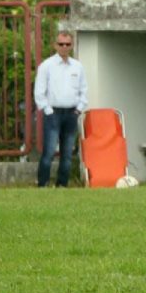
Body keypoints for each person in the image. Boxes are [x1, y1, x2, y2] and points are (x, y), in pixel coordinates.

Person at [34, 31, 88, 187]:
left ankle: (62, 185)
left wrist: (79, 108)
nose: (64, 47)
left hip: (71, 113)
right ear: (55, 45)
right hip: (53, 114)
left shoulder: (78, 67)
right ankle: (43, 184)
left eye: (68, 44)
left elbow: (84, 90)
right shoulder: (46, 66)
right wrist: (47, 110)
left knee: (67, 154)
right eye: (61, 44)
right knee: (49, 152)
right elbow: (39, 91)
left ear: (72, 46)